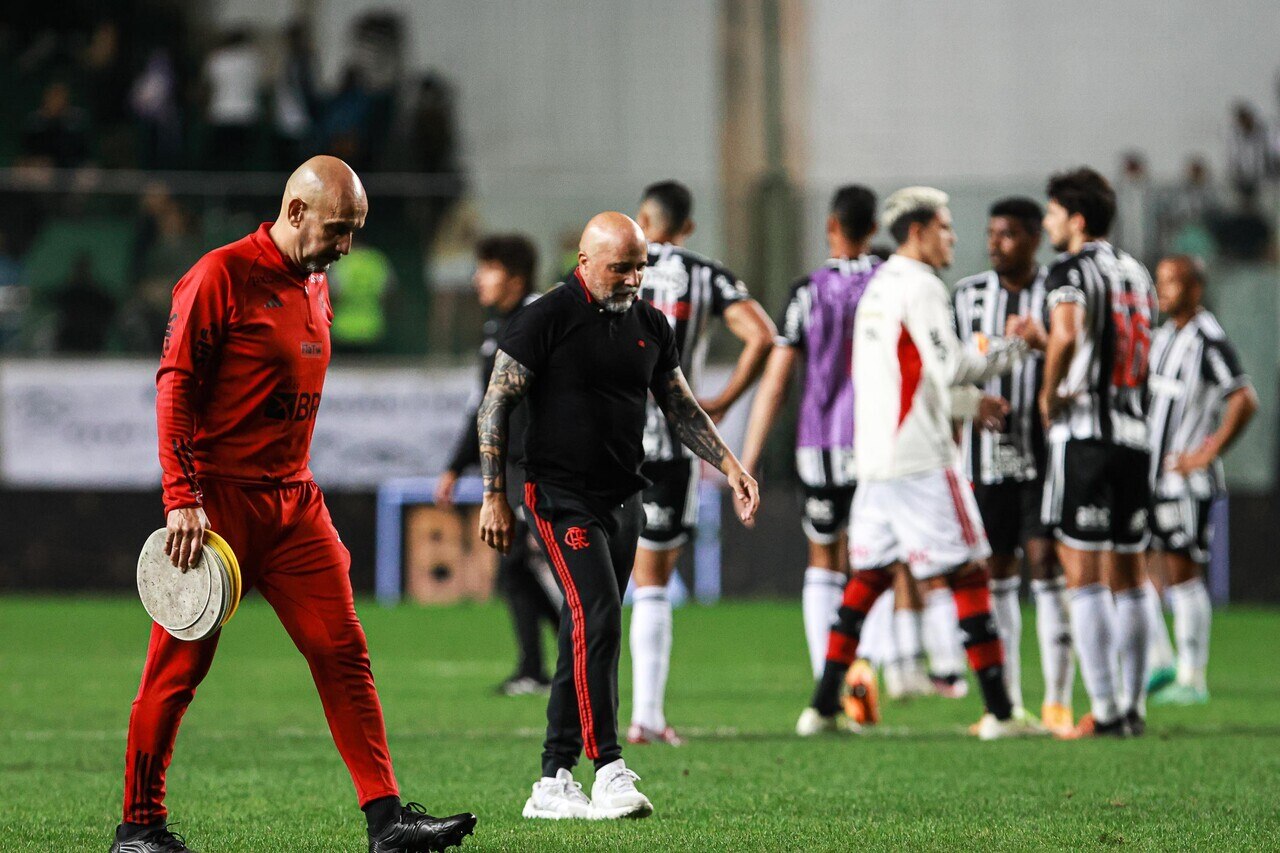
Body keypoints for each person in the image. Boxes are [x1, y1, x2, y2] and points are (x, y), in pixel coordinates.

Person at [113, 156, 476, 853]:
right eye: (339, 229)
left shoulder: (317, 282)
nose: (346, 247)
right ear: (297, 211)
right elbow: (175, 385)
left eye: (355, 232)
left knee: (344, 652)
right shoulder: (219, 276)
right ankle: (138, 826)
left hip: (293, 502)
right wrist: (182, 497)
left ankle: (387, 819)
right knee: (177, 668)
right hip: (218, 507)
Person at [476, 212, 759, 820]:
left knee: (583, 632)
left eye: (639, 266)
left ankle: (552, 781)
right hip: (558, 496)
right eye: (620, 268)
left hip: (624, 497)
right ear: (584, 262)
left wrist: (730, 464)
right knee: (599, 617)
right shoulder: (544, 318)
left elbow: (680, 408)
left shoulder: (651, 324)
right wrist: (494, 493)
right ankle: (608, 769)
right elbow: (495, 404)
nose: (633, 279)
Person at [797, 186, 1041, 740]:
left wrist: (968, 406)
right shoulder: (922, 287)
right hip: (921, 462)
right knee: (971, 572)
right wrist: (1014, 346)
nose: (953, 237)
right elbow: (951, 365)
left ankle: (821, 706)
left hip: (876, 461)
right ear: (917, 231)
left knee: (867, 580)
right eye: (945, 227)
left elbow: (903, 378)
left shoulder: (879, 288)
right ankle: (1002, 714)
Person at [627, 180, 775, 746]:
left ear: (643, 218)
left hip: (612, 443)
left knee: (594, 587)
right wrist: (724, 400)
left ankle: (580, 725)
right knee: (654, 584)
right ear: (686, 227)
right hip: (673, 442)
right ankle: (646, 717)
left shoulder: (613, 262)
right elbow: (761, 336)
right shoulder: (704, 272)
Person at [740, 185, 880, 679]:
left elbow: (775, 385)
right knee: (874, 559)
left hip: (818, 445)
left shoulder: (807, 292)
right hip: (879, 447)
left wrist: (748, 458)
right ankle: (871, 669)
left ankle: (830, 676)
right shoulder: (892, 284)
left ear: (831, 227)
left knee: (823, 557)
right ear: (875, 229)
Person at [1038, 167, 1156, 738]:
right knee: (1131, 574)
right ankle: (1132, 708)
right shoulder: (1138, 272)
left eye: (1053, 213)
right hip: (1135, 438)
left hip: (1085, 436)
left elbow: (1066, 330)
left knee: (1082, 573)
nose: (1047, 223)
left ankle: (1105, 710)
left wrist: (1048, 395)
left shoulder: (1069, 270)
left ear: (1077, 219)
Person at [952, 197, 1075, 735]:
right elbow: (944, 370)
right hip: (985, 458)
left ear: (1032, 239)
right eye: (991, 233)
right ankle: (1008, 702)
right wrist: (969, 405)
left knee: (1047, 565)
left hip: (1048, 452)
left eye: (1007, 234)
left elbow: (1084, 356)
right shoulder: (966, 296)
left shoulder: (1060, 293)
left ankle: (1058, 700)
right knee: (997, 571)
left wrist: (1044, 346)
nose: (994, 243)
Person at [437, 233, 562, 696]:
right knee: (514, 567)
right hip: (510, 470)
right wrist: (455, 466)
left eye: (485, 268)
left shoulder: (541, 321)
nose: (477, 279)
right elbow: (483, 408)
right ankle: (541, 664)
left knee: (553, 566)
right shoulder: (497, 332)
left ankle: (580, 651)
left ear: (512, 275)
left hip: (541, 469)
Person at [1143, 255, 1257, 705]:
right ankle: (1159, 662)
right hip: (1153, 479)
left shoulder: (1209, 340)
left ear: (1195, 289)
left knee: (1182, 574)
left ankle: (1192, 676)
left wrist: (1207, 452)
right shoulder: (1163, 336)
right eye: (1160, 282)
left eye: (1172, 283)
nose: (1162, 290)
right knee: (1139, 568)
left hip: (1185, 484)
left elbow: (1244, 399)